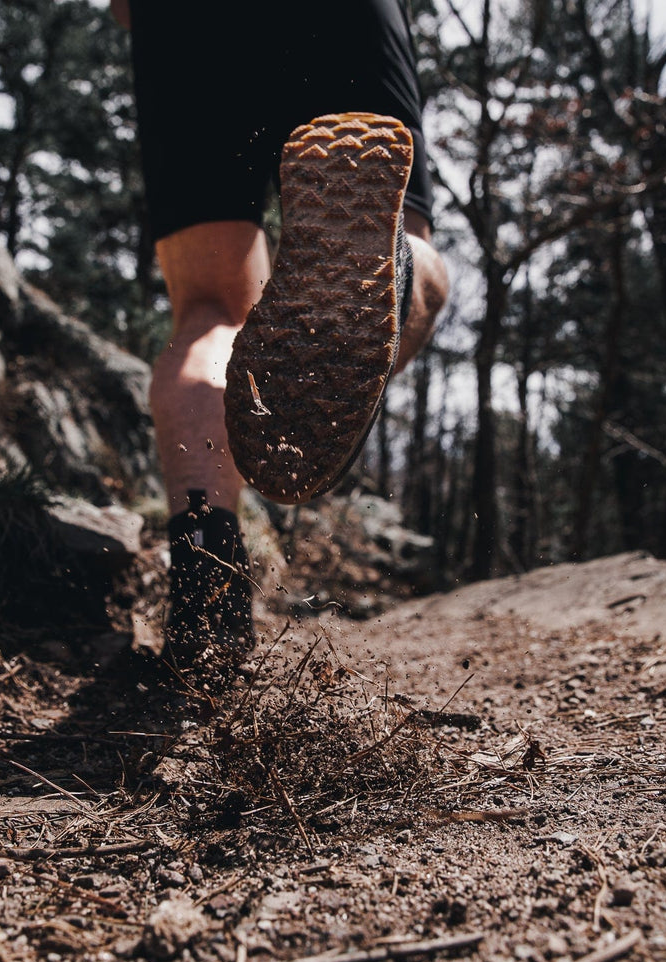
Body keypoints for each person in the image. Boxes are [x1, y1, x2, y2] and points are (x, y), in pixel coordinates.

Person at [111, 0, 449, 675]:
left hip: (177, 20)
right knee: (406, 245)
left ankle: (207, 591)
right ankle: (381, 271)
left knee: (208, 311)